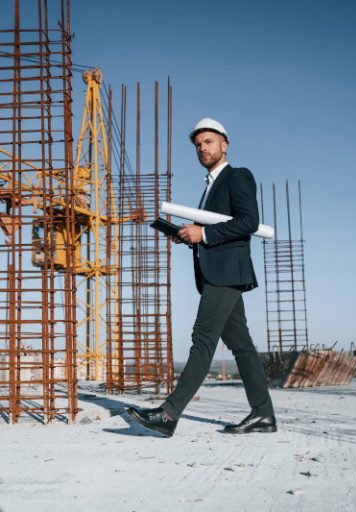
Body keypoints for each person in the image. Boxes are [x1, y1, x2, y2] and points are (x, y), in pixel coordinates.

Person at [126, 117, 276, 437]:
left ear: (225, 144)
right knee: (241, 345)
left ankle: (168, 414)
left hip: (226, 275)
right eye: (198, 145)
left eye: (208, 142)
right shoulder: (207, 190)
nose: (202, 148)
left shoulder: (238, 176)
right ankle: (263, 414)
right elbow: (214, 232)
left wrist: (204, 233)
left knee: (202, 339)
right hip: (216, 272)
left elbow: (248, 222)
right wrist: (188, 237)